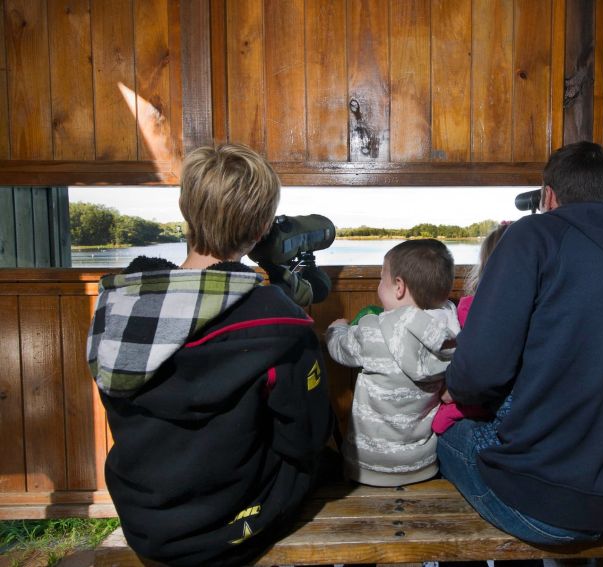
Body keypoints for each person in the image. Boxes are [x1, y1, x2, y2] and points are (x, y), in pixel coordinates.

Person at [87, 144, 333, 566]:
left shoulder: (121, 305)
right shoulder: (277, 323)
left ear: (186, 211)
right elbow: (306, 438)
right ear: (260, 230)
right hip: (228, 529)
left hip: (145, 523)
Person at [438, 141, 603, 548]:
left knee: (446, 438)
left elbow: (477, 376)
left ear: (548, 195)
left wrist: (453, 390)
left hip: (547, 508)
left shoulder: (533, 235)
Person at [326, 239, 460, 487]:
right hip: (424, 464)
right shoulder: (450, 336)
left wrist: (337, 329)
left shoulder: (372, 331)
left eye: (380, 279)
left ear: (399, 287)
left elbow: (340, 351)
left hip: (367, 467)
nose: (378, 286)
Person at [432, 221, 511, 435]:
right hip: (512, 403)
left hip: (475, 401)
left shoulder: (470, 308)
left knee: (436, 425)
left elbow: (471, 367)